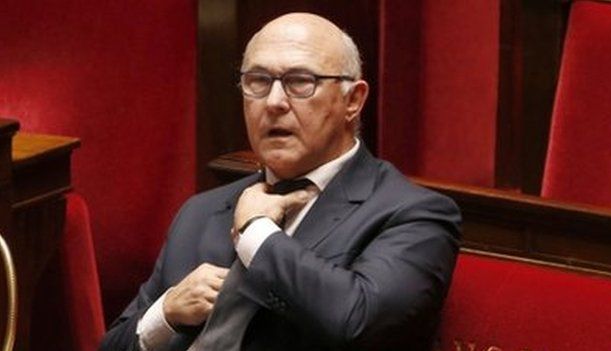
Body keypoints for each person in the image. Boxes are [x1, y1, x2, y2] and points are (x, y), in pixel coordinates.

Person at [100, 12, 461, 351]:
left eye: (300, 82)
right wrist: (166, 314)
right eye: (257, 81)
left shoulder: (414, 214)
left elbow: (358, 322)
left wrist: (256, 233)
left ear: (353, 100)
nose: (273, 102)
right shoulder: (201, 211)